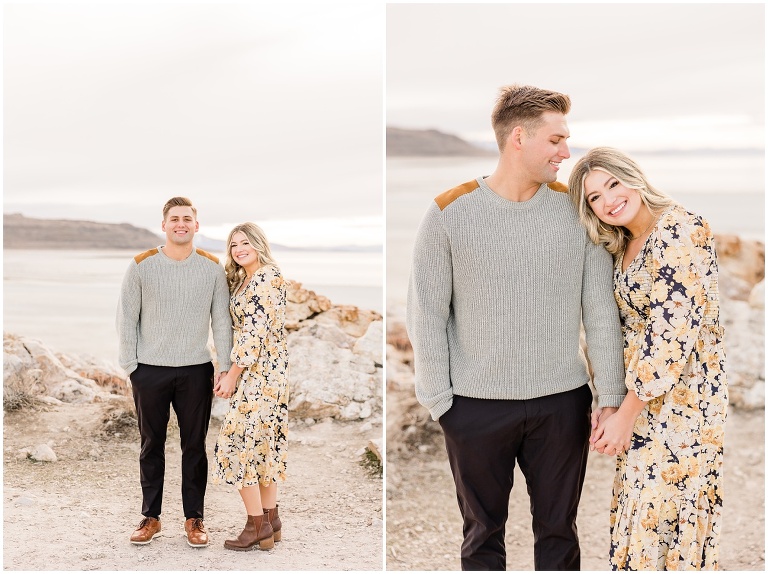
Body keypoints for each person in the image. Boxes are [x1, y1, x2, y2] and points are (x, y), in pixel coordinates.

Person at [406, 84, 626, 571]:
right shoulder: (448, 212)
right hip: (473, 407)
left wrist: (608, 395)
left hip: (562, 404)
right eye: (556, 140)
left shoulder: (576, 211)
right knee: (482, 538)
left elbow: (600, 310)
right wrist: (442, 403)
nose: (567, 152)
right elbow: (426, 312)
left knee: (559, 535)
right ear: (519, 137)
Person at [568, 147, 728, 570]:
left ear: (633, 178)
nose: (608, 200)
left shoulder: (679, 229)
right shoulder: (624, 242)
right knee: (641, 516)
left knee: (667, 516)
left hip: (684, 402)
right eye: (595, 198)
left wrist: (624, 413)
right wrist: (610, 402)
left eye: (613, 184)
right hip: (642, 399)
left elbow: (669, 336)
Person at [117, 196, 233, 548]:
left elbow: (223, 323)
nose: (180, 224)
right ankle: (150, 518)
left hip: (196, 370)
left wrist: (225, 367)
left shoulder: (212, 268)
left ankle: (194, 519)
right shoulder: (141, 265)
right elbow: (126, 319)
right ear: (164, 225)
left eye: (187, 219)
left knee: (194, 446)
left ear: (196, 226)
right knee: (151, 444)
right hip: (149, 371)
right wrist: (131, 367)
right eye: (174, 219)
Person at [211, 222, 289, 551]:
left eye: (245, 242)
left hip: (261, 374)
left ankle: (255, 526)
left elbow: (254, 333)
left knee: (240, 444)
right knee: (260, 447)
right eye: (233, 245)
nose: (239, 249)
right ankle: (270, 522)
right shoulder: (247, 278)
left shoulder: (267, 277)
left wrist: (231, 374)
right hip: (265, 371)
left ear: (258, 244)